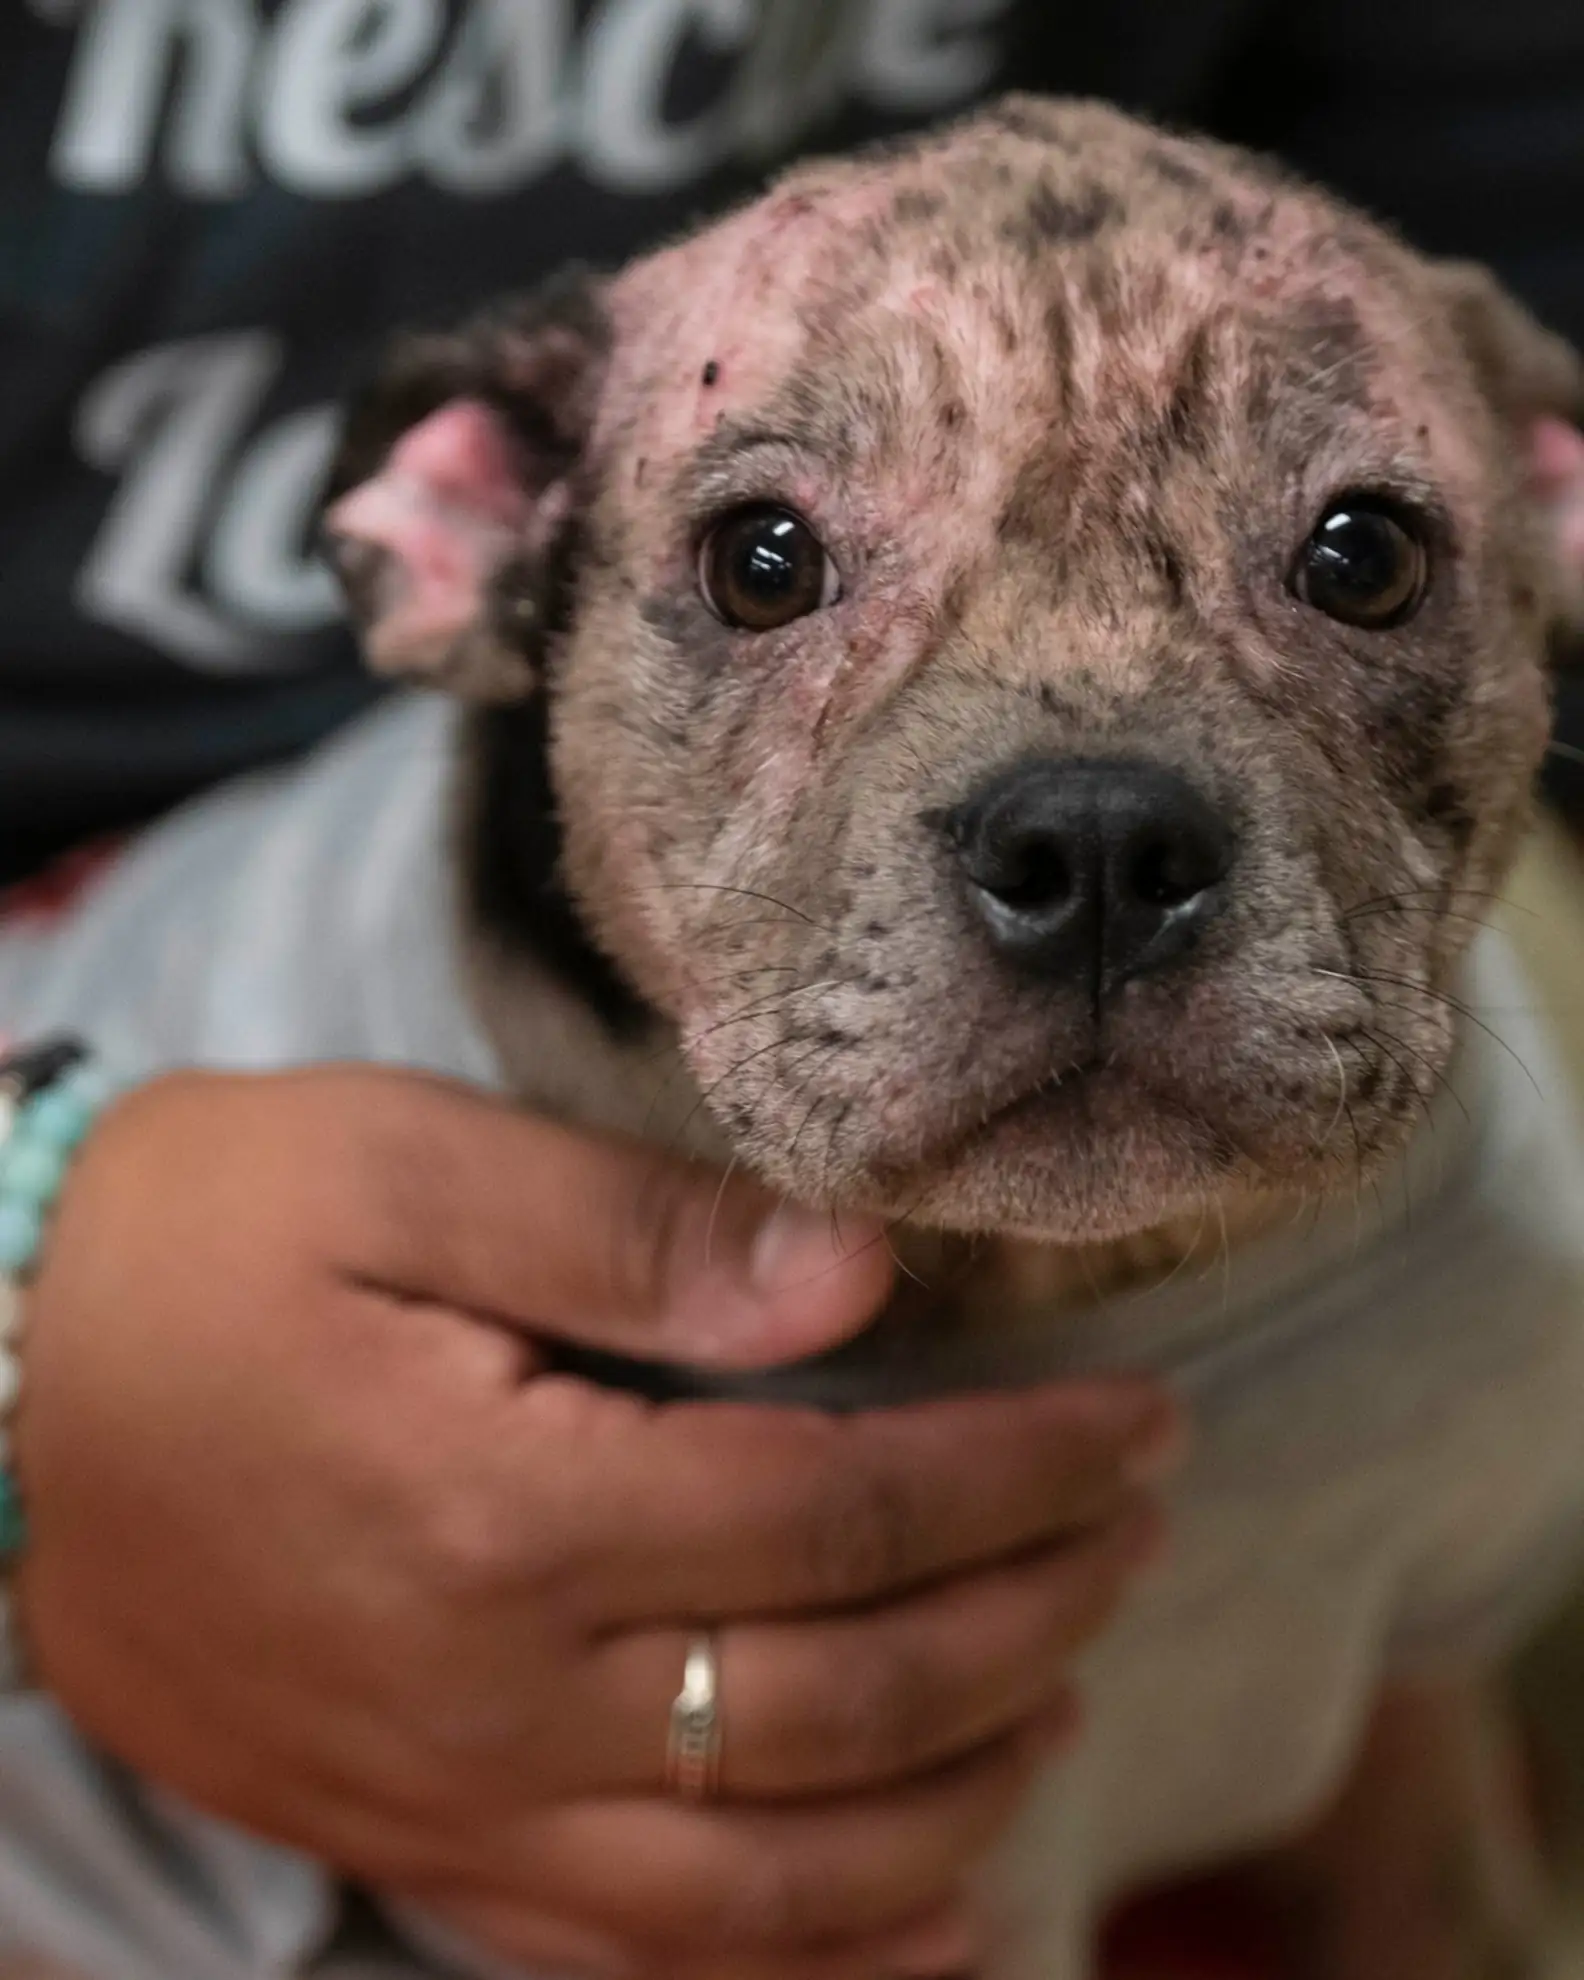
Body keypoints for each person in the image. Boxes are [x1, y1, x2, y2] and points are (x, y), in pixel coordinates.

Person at [1, 5, 1581, 1977]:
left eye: (1354, 563)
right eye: (770, 566)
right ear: (463, 534)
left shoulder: (1489, 1244)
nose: (1094, 822)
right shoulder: (289, 1001)